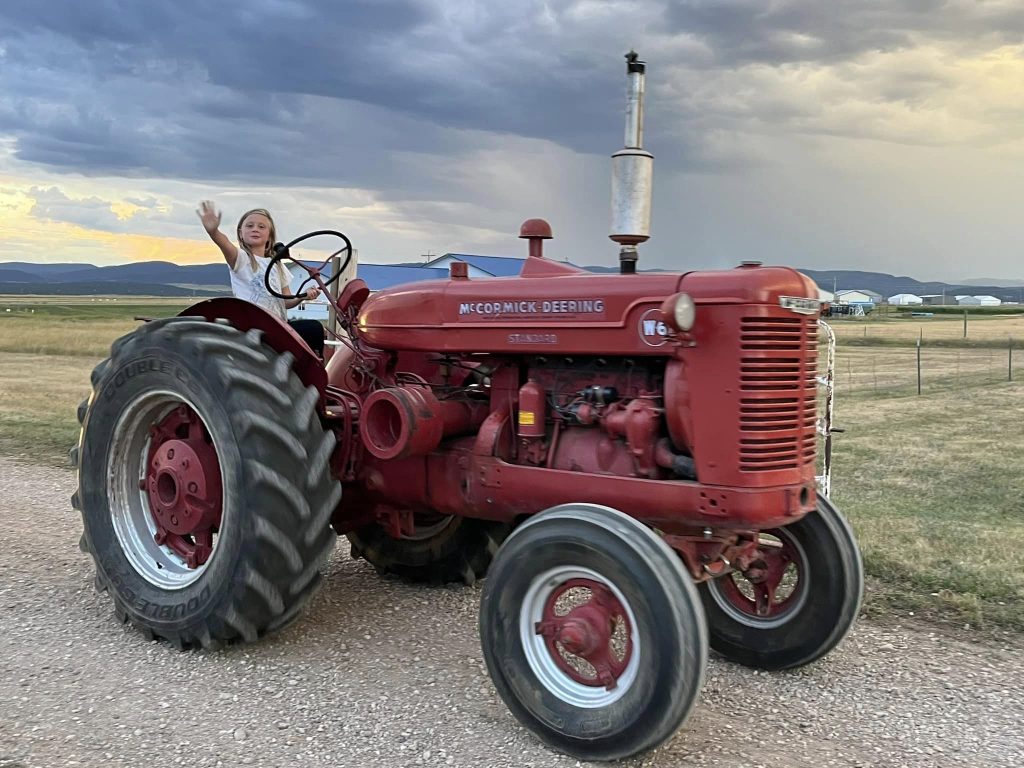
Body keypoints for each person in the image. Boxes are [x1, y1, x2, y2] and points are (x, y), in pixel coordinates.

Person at [197, 201, 326, 358]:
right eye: (249, 226)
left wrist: (303, 296)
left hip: (279, 325)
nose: (255, 229)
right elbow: (225, 244)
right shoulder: (241, 259)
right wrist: (214, 232)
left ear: (269, 235)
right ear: (240, 233)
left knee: (314, 328)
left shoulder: (277, 265)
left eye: (261, 226)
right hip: (254, 325)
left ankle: (314, 369)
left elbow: (285, 301)